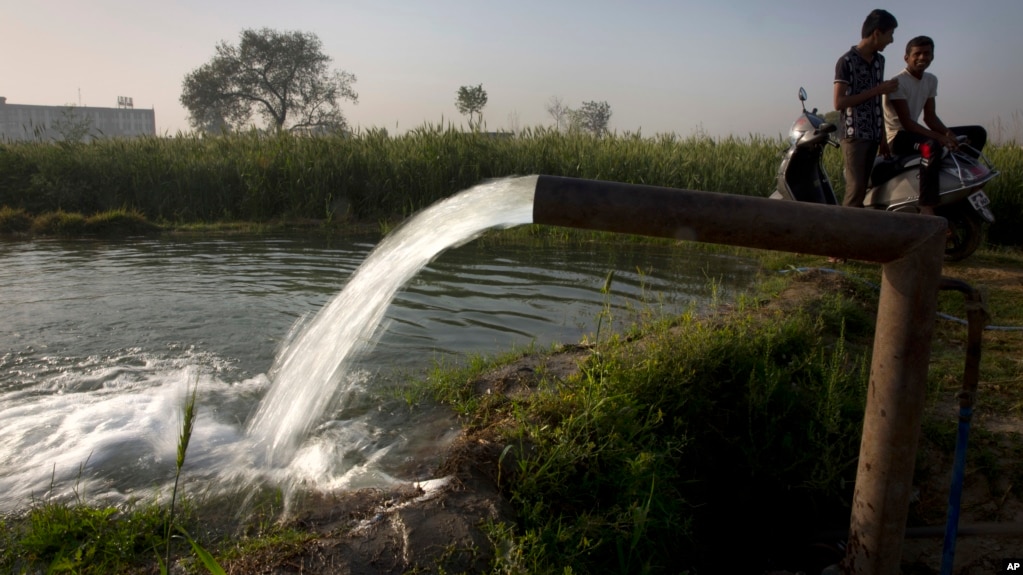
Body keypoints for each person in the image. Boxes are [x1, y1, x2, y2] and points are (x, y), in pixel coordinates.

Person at [883, 35, 988, 215]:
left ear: (932, 56)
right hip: (897, 137)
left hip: (913, 131)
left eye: (927, 54)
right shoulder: (899, 82)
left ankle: (970, 182)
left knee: (977, 133)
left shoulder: (931, 80)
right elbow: (907, 123)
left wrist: (947, 133)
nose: (922, 58)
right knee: (929, 147)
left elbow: (930, 118)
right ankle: (926, 204)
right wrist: (939, 137)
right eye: (917, 54)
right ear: (906, 57)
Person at [834, 9, 900, 209]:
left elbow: (876, 103)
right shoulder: (846, 61)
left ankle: (857, 235)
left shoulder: (880, 61)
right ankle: (844, 236)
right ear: (877, 33)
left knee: (865, 190)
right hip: (854, 135)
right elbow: (839, 102)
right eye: (890, 34)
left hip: (873, 134)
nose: (892, 40)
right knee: (856, 190)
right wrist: (878, 89)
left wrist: (882, 139)